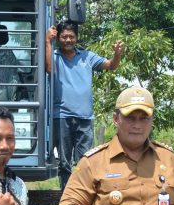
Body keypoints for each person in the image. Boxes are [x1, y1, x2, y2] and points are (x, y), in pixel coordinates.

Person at [45, 21, 125, 188]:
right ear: (58, 38)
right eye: (64, 36)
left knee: (86, 159)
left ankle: (84, 194)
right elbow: (48, 68)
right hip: (62, 115)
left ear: (77, 38)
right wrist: (47, 41)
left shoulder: (87, 56)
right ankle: (66, 195)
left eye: (71, 36)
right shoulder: (54, 56)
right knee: (64, 161)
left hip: (85, 116)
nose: (68, 40)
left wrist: (117, 54)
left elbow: (111, 65)